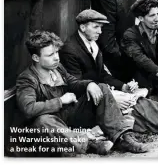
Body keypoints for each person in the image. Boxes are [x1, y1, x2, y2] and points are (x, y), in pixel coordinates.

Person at [60, 9, 158, 132]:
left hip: (100, 92)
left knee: (136, 98)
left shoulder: (92, 43)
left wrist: (122, 86)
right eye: (96, 27)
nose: (100, 31)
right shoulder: (71, 50)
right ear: (83, 27)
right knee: (134, 105)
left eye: (101, 27)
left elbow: (102, 75)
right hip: (85, 102)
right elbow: (76, 85)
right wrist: (109, 97)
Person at [16, 30, 148, 156]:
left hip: (68, 116)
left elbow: (73, 82)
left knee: (100, 87)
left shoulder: (57, 68)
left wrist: (89, 84)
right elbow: (28, 108)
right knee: (42, 121)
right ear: (35, 57)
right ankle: (90, 144)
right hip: (51, 126)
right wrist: (61, 101)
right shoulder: (27, 78)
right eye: (50, 55)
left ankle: (122, 138)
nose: (56, 58)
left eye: (56, 52)